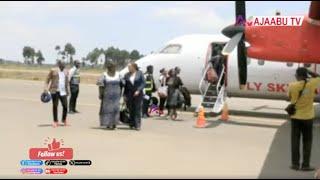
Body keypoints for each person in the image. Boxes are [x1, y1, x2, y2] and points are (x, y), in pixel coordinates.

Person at [288, 67, 320, 171]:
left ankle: (295, 164)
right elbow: (319, 77)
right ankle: (306, 165)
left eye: (296, 75)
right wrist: (309, 72)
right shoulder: (312, 84)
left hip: (296, 118)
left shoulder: (292, 85)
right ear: (305, 76)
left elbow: (289, 98)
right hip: (308, 118)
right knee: (307, 142)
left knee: (295, 141)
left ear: (298, 76)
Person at [97, 62, 122, 130]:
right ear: (109, 68)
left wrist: (121, 93)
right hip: (107, 95)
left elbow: (122, 84)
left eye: (114, 67)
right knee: (108, 110)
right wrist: (100, 94)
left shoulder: (118, 74)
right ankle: (108, 123)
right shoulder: (104, 75)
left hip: (116, 96)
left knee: (116, 109)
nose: (114, 68)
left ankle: (114, 124)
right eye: (112, 67)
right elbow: (101, 86)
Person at [44, 60, 69, 128]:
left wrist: (68, 91)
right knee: (55, 106)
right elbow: (47, 79)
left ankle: (64, 119)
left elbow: (66, 82)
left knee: (65, 106)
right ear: (59, 64)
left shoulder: (66, 71)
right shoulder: (53, 70)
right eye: (62, 64)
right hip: (54, 91)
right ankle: (55, 121)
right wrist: (46, 89)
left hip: (63, 91)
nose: (64, 65)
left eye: (64, 64)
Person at [123, 63, 145, 131]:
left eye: (129, 67)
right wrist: (124, 95)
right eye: (128, 67)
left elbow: (143, 83)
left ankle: (137, 125)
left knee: (137, 109)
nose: (128, 68)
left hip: (138, 94)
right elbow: (125, 86)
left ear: (134, 67)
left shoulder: (140, 73)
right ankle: (132, 123)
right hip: (129, 94)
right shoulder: (126, 75)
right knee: (131, 109)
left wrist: (138, 90)